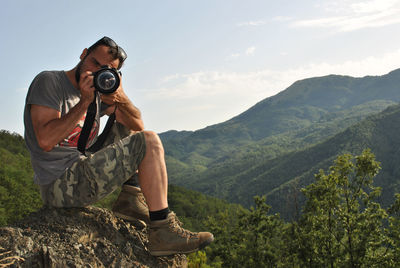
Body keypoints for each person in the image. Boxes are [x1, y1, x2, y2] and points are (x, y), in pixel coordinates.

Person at [23, 36, 214, 256]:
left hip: (81, 168)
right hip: (58, 184)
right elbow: (45, 141)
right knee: (149, 140)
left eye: (106, 70)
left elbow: (137, 125)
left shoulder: (98, 94)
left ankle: (130, 199)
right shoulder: (50, 81)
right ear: (83, 54)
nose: (97, 72)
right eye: (95, 63)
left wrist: (120, 97)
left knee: (131, 128)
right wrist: (84, 102)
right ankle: (163, 231)